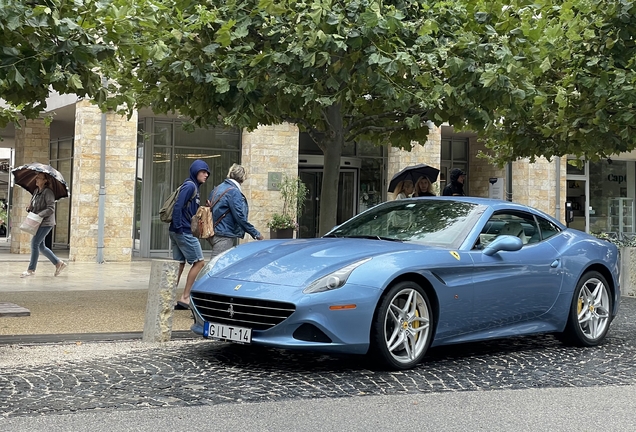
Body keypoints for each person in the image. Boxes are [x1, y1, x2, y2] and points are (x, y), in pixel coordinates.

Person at [170, 159, 210, 309]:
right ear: (195, 172)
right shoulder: (190, 186)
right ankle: (185, 297)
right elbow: (178, 206)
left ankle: (168, 298)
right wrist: (179, 227)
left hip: (177, 231)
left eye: (207, 173)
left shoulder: (192, 186)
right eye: (203, 171)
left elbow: (187, 209)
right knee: (199, 262)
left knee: (178, 265)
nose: (206, 175)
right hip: (183, 231)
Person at [207, 164, 264, 260]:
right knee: (216, 266)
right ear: (243, 177)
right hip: (224, 234)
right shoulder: (233, 192)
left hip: (213, 232)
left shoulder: (217, 188)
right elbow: (239, 216)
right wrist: (255, 233)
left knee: (222, 264)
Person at [20, 173, 67, 278]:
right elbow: (35, 206)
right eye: (36, 177)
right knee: (41, 246)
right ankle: (58, 263)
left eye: (39, 178)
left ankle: (31, 270)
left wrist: (39, 215)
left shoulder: (48, 192)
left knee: (34, 244)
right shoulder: (36, 192)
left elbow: (51, 208)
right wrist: (30, 208)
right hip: (38, 222)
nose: (36, 179)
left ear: (45, 180)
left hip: (46, 223)